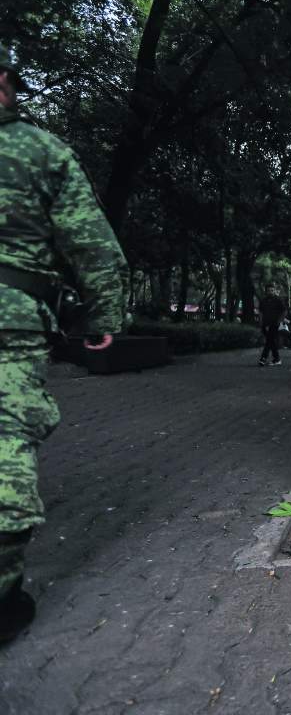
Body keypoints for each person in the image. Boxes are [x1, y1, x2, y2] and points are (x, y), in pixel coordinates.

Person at [0, 46, 129, 644]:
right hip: (9, 320)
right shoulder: (41, 152)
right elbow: (91, 243)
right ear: (6, 81)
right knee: (4, 449)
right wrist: (104, 315)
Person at [257, 285, 286, 366]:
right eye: (269, 290)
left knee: (269, 340)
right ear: (266, 292)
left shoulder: (279, 301)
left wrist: (279, 321)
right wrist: (261, 322)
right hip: (265, 323)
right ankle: (277, 358)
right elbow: (261, 312)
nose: (270, 292)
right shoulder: (263, 301)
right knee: (270, 340)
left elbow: (284, 312)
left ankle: (263, 358)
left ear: (275, 291)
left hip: (274, 323)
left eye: (272, 290)